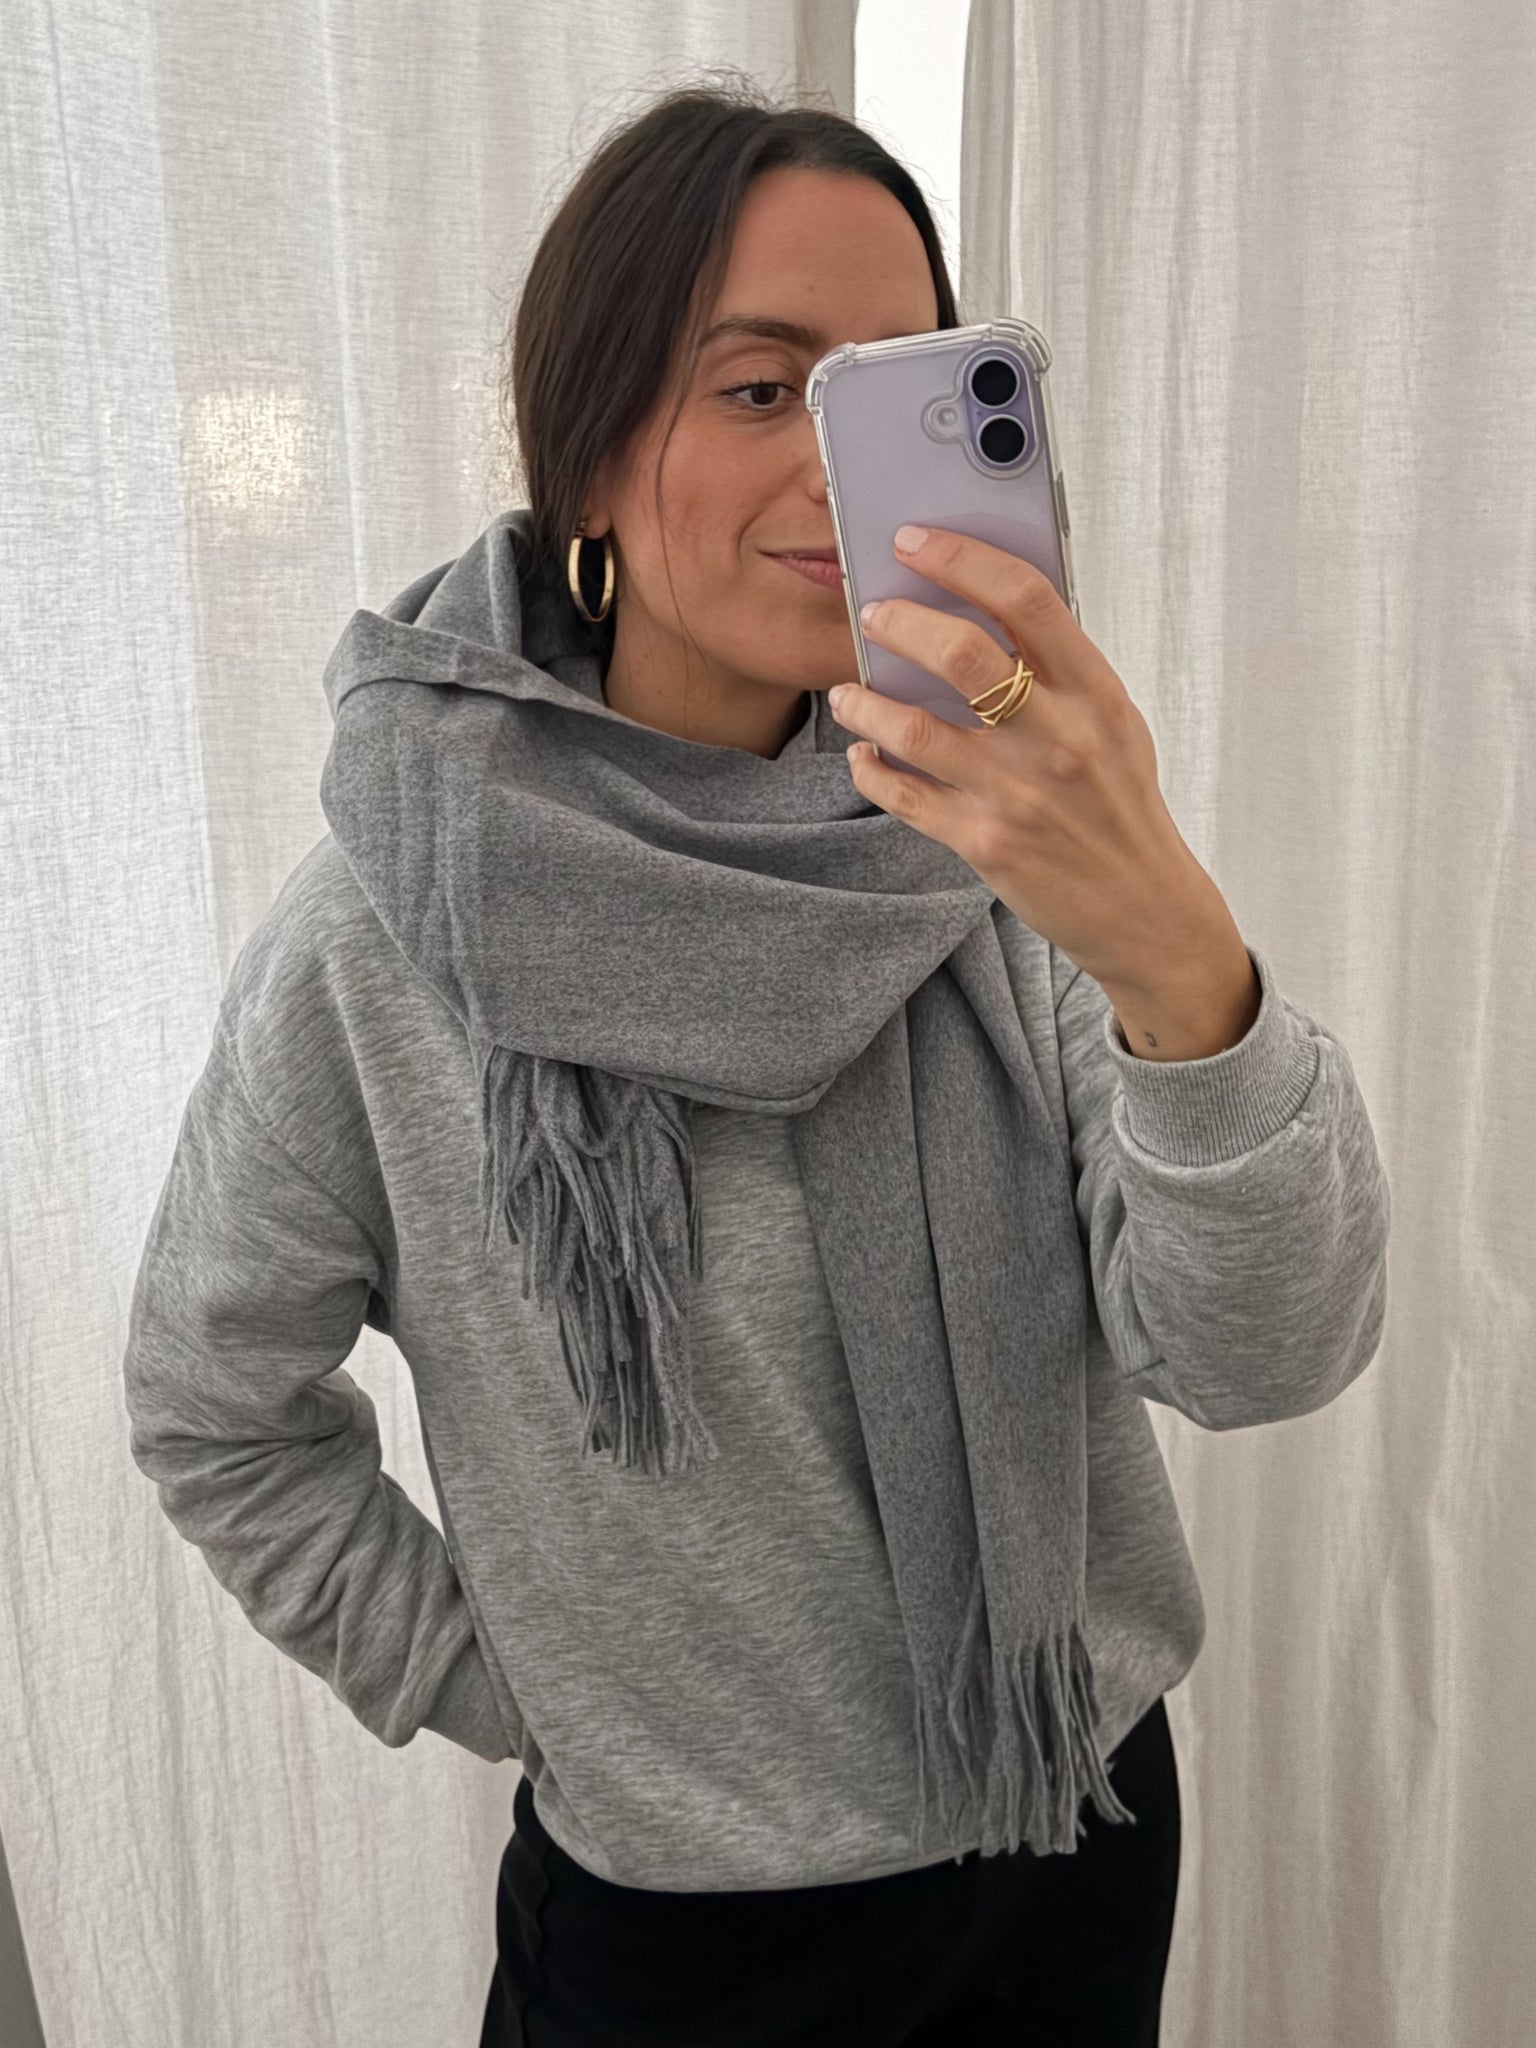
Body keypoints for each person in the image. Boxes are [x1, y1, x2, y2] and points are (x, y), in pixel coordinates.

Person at [121, 80, 1392, 2048]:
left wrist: (1171, 943)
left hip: (1068, 1822)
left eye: (893, 392)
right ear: (589, 448)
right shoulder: (399, 924)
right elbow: (216, 1406)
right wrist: (518, 1684)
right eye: (758, 387)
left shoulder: (1000, 839)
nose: (835, 468)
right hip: (678, 1927)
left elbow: (1261, 1357)